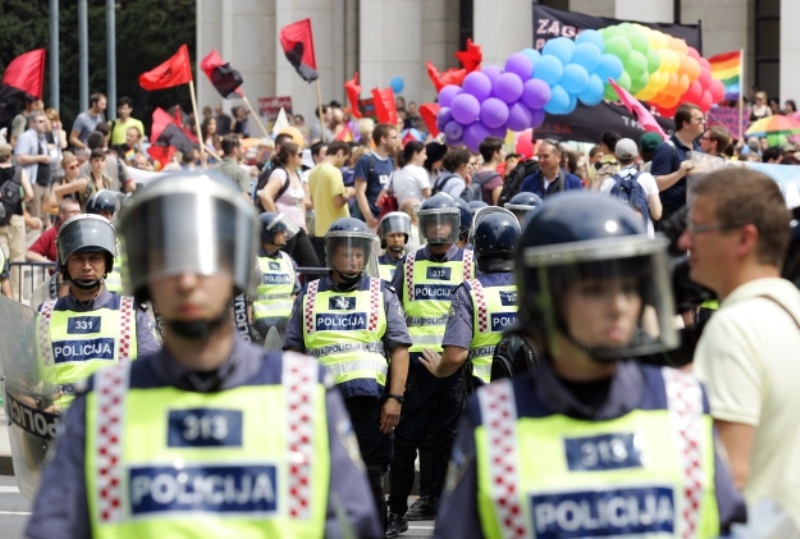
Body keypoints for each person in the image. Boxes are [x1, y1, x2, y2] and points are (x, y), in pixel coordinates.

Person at [26, 171, 383, 539]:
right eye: (169, 263)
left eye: (205, 260)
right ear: (146, 277)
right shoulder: (102, 405)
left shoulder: (304, 395)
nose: (187, 280)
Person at [435, 192, 747, 538]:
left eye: (629, 288)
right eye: (595, 290)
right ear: (545, 299)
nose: (619, 307)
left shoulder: (685, 402)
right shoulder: (494, 419)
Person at [680, 168, 800, 530]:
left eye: (699, 229)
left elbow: (732, 473)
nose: (686, 241)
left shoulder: (735, 327)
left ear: (745, 239)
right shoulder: (787, 305)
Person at [285, 217, 411, 533]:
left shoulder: (382, 293)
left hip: (371, 404)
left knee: (370, 479)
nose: (353, 259)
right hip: (321, 405)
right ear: (332, 255)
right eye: (346, 254)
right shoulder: (308, 295)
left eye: (358, 253)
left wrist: (395, 398)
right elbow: (293, 353)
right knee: (321, 480)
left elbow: (399, 350)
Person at [386, 193, 475, 536]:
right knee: (406, 439)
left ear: (455, 226)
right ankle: (396, 511)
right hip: (416, 366)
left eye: (445, 222)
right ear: (422, 226)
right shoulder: (408, 263)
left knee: (448, 439)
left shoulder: (469, 262)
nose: (438, 229)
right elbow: (392, 311)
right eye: (432, 222)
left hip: (452, 365)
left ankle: (440, 502)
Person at [35, 214, 160, 410]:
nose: (86, 266)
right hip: (54, 428)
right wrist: (35, 406)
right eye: (78, 258)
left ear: (107, 263)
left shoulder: (131, 313)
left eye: (94, 258)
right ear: (65, 263)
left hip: (114, 423)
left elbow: (154, 376)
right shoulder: (44, 315)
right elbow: (21, 382)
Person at [420, 209, 520, 386]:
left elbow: (455, 356)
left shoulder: (470, 292)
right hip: (533, 390)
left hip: (487, 394)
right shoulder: (534, 287)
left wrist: (439, 369)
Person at [258, 142, 319, 268]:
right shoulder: (280, 174)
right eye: (300, 155)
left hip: (298, 228)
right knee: (283, 264)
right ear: (290, 157)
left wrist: (303, 224)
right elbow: (265, 195)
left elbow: (301, 202)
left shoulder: (297, 175)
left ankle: (306, 288)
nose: (302, 158)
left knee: (313, 265)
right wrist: (278, 220)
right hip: (284, 230)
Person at [249, 212, 300, 343]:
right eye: (281, 231)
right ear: (268, 233)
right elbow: (244, 299)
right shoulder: (251, 259)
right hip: (260, 328)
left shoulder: (287, 259)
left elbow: (294, 294)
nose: (286, 235)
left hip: (286, 328)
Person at [651, 104, 704, 224]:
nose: (704, 122)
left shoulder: (698, 150)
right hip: (671, 217)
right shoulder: (666, 149)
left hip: (692, 215)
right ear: (685, 124)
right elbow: (655, 184)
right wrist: (679, 173)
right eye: (699, 119)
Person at [599, 138, 662, 236]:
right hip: (645, 238)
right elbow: (657, 214)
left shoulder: (608, 183)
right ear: (636, 156)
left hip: (619, 241)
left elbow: (603, 215)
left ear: (615, 156)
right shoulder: (647, 178)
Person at [308, 140, 354, 264]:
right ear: (339, 153)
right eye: (344, 158)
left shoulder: (313, 172)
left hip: (320, 231)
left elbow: (312, 200)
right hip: (338, 231)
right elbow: (338, 203)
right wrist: (349, 193)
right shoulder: (334, 172)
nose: (343, 163)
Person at [0, 142, 33, 301]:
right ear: (10, 155)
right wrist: (18, 201)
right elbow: (30, 194)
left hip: (0, 220)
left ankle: (4, 299)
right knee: (17, 259)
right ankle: (17, 298)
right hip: (17, 217)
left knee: (2, 259)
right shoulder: (19, 172)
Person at [353, 123, 399, 229]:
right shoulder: (366, 160)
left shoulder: (392, 160)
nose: (397, 141)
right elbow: (360, 192)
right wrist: (369, 218)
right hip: (371, 222)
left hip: (387, 218)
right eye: (394, 138)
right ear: (383, 139)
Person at [14, 111, 52, 222]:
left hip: (44, 183)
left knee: (45, 218)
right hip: (32, 183)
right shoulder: (26, 137)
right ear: (31, 123)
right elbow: (19, 158)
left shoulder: (42, 137)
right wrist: (41, 158)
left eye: (44, 121)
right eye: (40, 121)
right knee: (35, 218)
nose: (44, 124)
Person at [392, 141, 430, 208]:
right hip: (417, 214)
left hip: (402, 214)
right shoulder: (420, 171)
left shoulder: (395, 173)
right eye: (424, 153)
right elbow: (429, 196)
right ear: (415, 154)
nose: (426, 157)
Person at [377, 211, 411, 281]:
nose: (396, 239)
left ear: (405, 238)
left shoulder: (411, 263)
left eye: (399, 235)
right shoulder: (376, 264)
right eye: (392, 236)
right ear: (384, 238)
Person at [475, 137, 505, 206]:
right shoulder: (495, 179)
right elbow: (497, 206)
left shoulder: (475, 174)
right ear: (495, 154)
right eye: (503, 150)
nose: (505, 153)